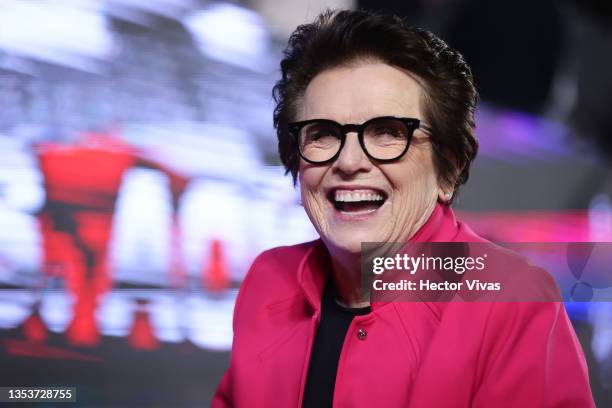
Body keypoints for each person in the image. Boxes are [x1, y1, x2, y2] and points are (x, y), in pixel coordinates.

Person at [212, 9, 594, 407]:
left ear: (448, 171)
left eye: (387, 133)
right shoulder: (269, 280)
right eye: (323, 134)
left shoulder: (511, 301)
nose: (348, 162)